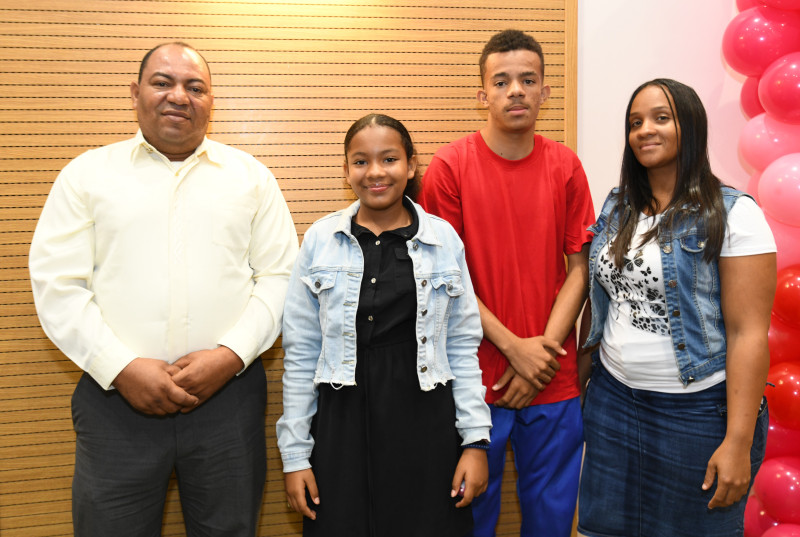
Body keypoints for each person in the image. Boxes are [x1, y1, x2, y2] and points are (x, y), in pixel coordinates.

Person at [29, 42, 299, 536]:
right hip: (114, 405)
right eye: (163, 82)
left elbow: (282, 278)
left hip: (229, 403)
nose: (179, 96)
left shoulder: (252, 179)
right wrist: (122, 368)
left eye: (195, 87)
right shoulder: (87, 175)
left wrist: (230, 356)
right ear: (135, 94)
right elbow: (58, 284)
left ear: (211, 101)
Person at [276, 113, 492, 537]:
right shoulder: (320, 240)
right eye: (361, 161)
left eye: (389, 159)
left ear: (411, 166)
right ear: (346, 170)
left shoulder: (443, 239)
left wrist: (475, 442)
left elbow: (463, 348)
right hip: (341, 422)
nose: (375, 172)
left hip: (425, 419)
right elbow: (301, 354)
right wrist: (296, 456)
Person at [577, 78, 776, 537]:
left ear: (690, 126)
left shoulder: (734, 214)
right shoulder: (618, 206)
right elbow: (602, 299)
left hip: (697, 413)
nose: (645, 129)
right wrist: (583, 388)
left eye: (661, 118)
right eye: (635, 122)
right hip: (613, 402)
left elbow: (749, 333)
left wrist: (738, 442)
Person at [420, 29, 595, 537]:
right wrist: (514, 349)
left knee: (552, 521)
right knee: (469, 518)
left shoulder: (566, 165)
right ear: (483, 95)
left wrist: (539, 354)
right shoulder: (450, 166)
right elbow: (443, 277)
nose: (515, 90)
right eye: (502, 81)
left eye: (528, 79)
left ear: (544, 92)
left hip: (553, 377)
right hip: (474, 379)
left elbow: (580, 268)